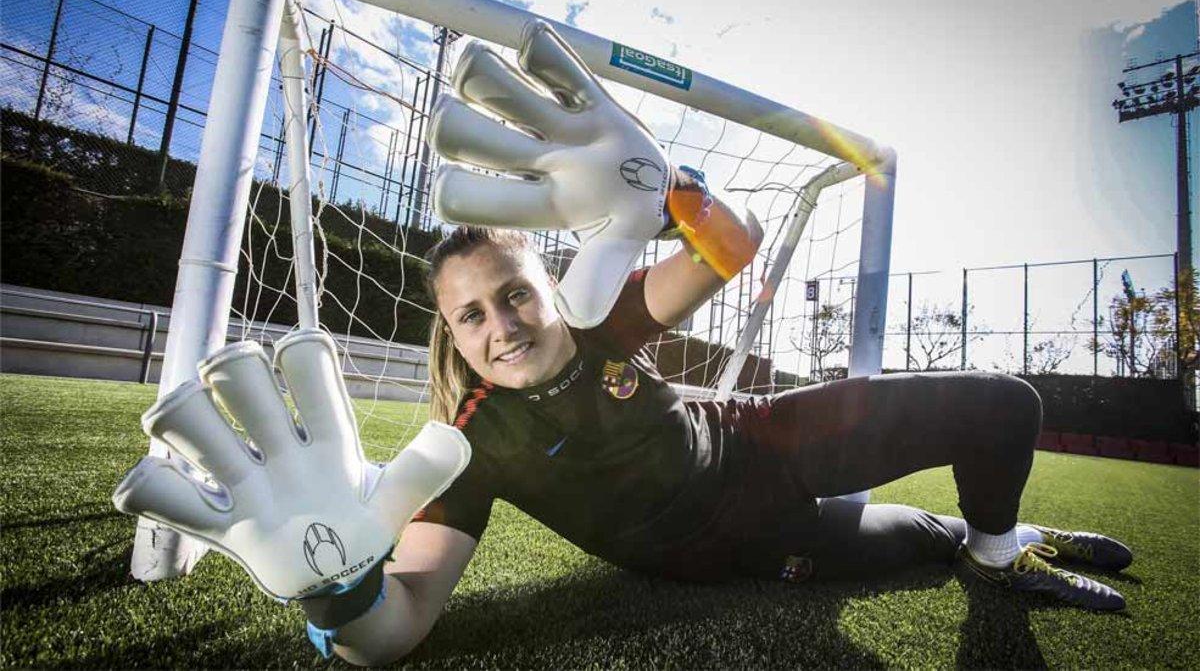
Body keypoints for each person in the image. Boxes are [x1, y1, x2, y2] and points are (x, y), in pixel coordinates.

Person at [312, 217, 1132, 665]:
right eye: (473, 314)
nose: (505, 325)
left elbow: (726, 246)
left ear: (550, 293)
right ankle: (987, 537)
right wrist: (334, 591)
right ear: (454, 336)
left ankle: (1002, 549)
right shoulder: (467, 443)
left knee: (1003, 407)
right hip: (751, 546)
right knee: (923, 536)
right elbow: (397, 628)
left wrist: (657, 188)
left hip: (768, 440)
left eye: (516, 293)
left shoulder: (598, 321)